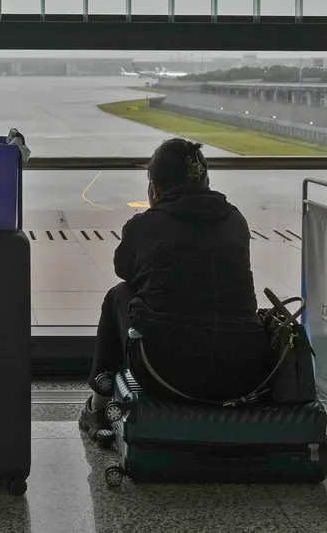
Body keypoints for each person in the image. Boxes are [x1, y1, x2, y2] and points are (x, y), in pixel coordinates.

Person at [79, 139, 271, 440]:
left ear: (154, 188)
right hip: (242, 371)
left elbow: (125, 269)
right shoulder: (236, 221)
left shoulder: (147, 225)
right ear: (205, 180)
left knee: (119, 294)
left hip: (167, 372)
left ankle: (98, 405)